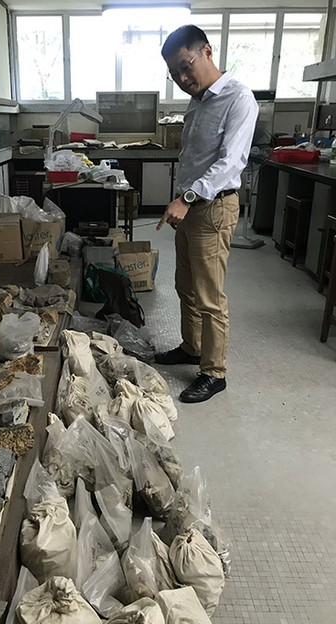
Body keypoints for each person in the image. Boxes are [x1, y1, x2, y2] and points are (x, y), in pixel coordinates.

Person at [155, 24, 258, 404]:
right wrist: (182, 198)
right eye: (174, 73)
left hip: (213, 208)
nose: (182, 79)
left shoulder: (238, 99)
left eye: (186, 67)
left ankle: (214, 373)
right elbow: (194, 157)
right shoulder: (197, 102)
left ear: (207, 52)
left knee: (209, 296)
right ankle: (191, 347)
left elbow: (230, 164)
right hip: (190, 206)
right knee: (185, 286)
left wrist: (186, 197)